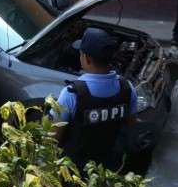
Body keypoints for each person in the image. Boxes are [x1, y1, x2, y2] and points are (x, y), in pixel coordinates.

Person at [51, 28, 137, 174]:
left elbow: (53, 138)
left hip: (75, 175)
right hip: (108, 171)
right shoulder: (126, 87)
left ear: (86, 59)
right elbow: (130, 121)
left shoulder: (72, 93)